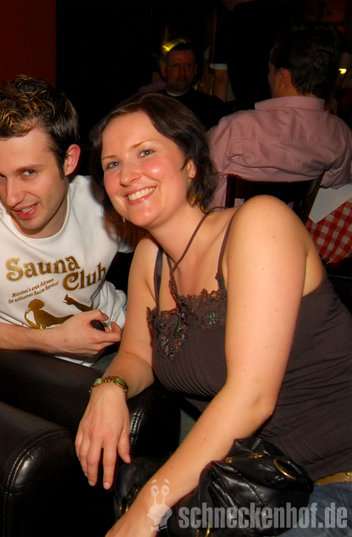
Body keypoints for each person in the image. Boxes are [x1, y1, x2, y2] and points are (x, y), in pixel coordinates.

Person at [76, 92, 352, 536]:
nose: (127, 176)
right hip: (249, 483)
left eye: (145, 152)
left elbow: (252, 396)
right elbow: (137, 355)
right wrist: (109, 388)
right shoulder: (150, 257)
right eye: (112, 164)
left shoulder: (259, 224)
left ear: (191, 164)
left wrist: (148, 508)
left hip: (333, 479)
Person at [0, 75, 127, 365]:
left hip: (121, 342)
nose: (11, 197)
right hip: (35, 370)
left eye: (28, 173)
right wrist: (55, 340)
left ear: (69, 160)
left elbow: (158, 255)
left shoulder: (105, 202)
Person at [208, 24, 352, 263]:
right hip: (284, 246)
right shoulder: (340, 134)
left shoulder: (236, 128)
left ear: (283, 75)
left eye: (270, 71)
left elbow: (202, 185)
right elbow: (335, 180)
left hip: (222, 247)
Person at [157, 40, 228, 129]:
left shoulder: (212, 106)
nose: (182, 72)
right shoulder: (153, 104)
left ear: (195, 69)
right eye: (176, 65)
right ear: (164, 71)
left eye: (188, 65)